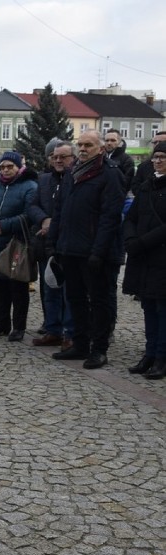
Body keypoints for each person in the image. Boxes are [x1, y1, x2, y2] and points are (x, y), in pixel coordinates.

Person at [49, 130, 124, 369]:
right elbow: (60, 211)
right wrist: (54, 244)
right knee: (76, 299)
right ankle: (80, 343)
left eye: (88, 145)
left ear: (101, 148)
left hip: (95, 252)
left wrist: (98, 251)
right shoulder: (72, 174)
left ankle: (99, 349)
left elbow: (110, 217)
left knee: (100, 301)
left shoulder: (110, 174)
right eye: (80, 145)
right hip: (70, 248)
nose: (82, 149)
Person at [0, 151, 38, 341]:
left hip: (16, 243)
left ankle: (19, 327)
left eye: (10, 166)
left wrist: (4, 226)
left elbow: (29, 214)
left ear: (19, 167)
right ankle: (2, 323)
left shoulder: (29, 186)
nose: (5, 170)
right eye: (2, 167)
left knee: (17, 287)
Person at [123, 141, 166, 380]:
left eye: (162, 157)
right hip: (143, 258)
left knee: (162, 308)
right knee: (148, 306)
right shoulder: (147, 186)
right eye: (156, 157)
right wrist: (130, 238)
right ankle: (149, 353)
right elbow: (131, 216)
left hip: (161, 256)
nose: (158, 161)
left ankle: (162, 356)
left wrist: (142, 242)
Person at [29, 141, 76, 348]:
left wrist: (56, 224)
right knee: (50, 289)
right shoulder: (44, 179)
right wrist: (44, 219)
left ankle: (70, 333)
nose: (58, 160)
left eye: (63, 157)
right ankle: (52, 329)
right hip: (46, 243)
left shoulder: (77, 179)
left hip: (69, 244)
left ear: (72, 159)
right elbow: (32, 205)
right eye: (55, 157)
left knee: (70, 292)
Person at [130, 131, 166, 197]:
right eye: (155, 142)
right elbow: (135, 187)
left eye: (161, 142)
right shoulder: (143, 166)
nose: (157, 144)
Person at [103, 128, 135, 194]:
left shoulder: (126, 160)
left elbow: (127, 182)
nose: (109, 143)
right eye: (107, 140)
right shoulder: (100, 157)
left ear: (119, 142)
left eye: (113, 140)